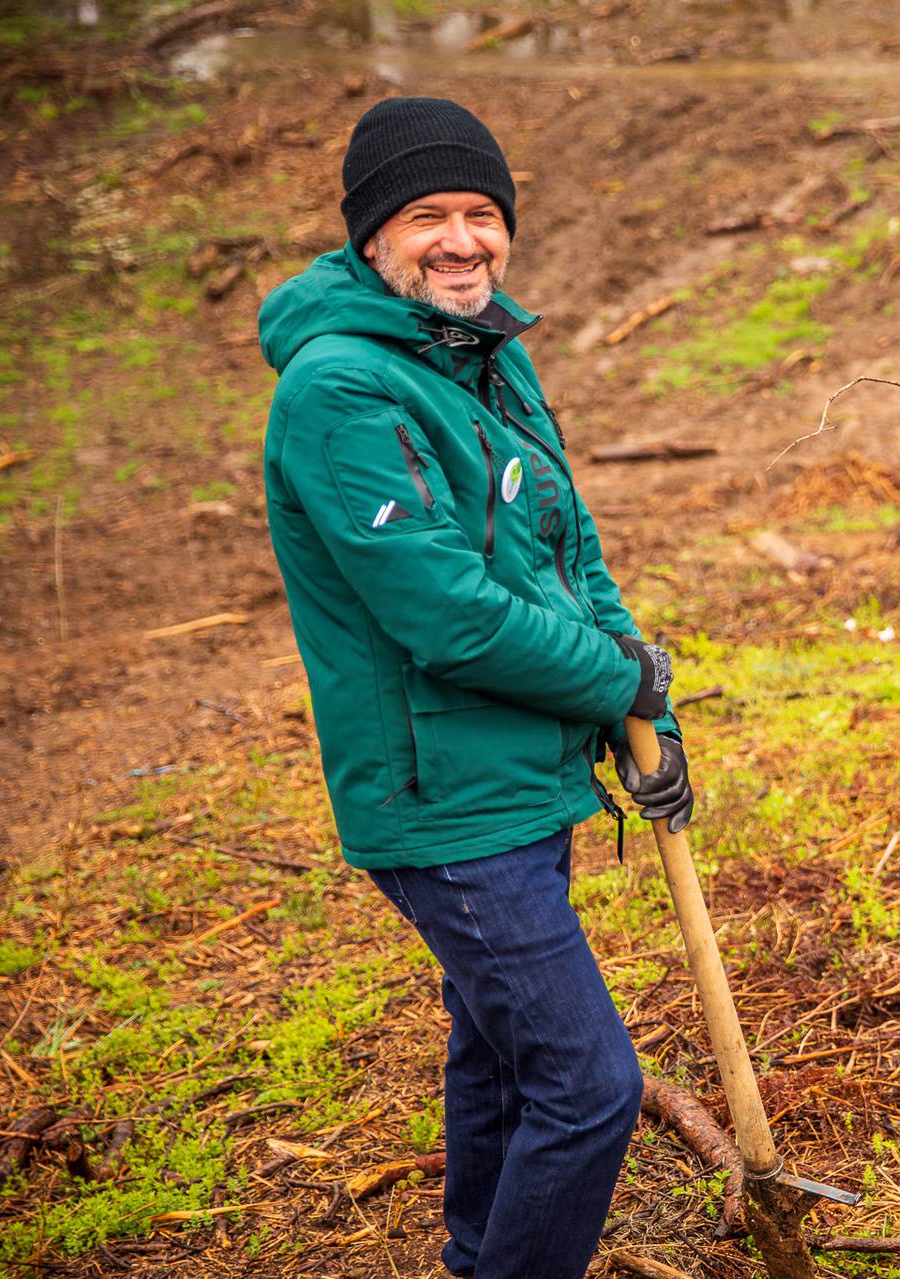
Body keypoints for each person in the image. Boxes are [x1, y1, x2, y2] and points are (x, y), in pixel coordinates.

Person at [259, 97, 691, 1278]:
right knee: (588, 1087)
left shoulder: (483, 347)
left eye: (483, 214)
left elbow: (566, 547)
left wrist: (635, 696)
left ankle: (473, 1254)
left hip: (517, 773)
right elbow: (444, 615)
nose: (462, 241)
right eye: (427, 218)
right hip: (442, 800)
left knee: (498, 1052)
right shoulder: (342, 392)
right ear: (370, 238)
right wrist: (618, 676)